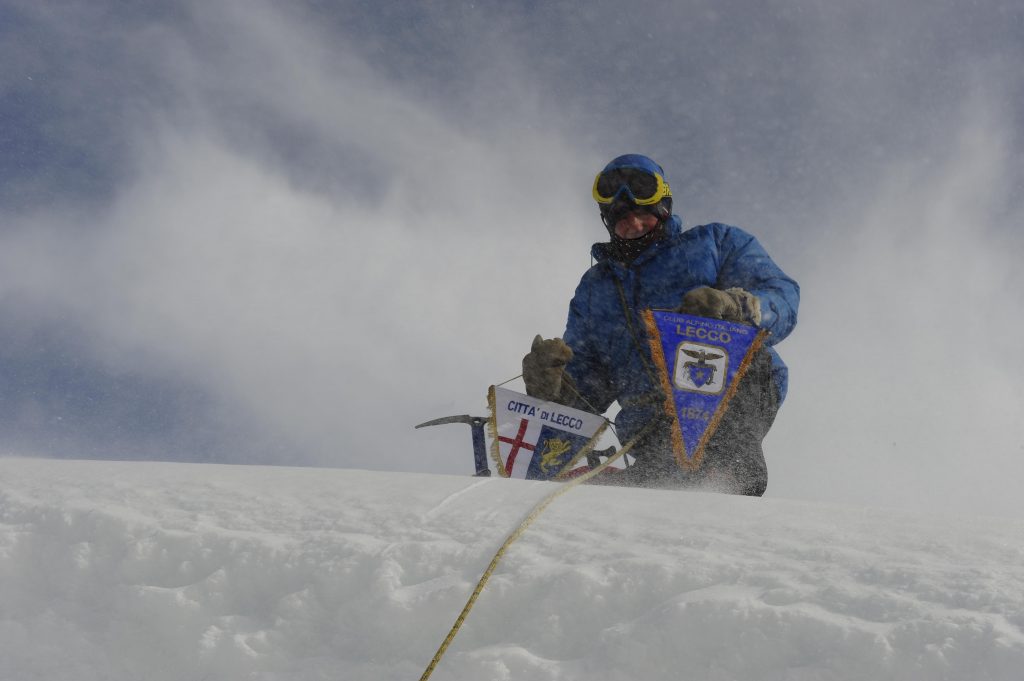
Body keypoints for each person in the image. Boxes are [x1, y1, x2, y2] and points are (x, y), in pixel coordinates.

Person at [522, 154, 799, 495]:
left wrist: (738, 306)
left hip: (729, 387)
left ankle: (728, 477)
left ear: (664, 207)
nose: (635, 225)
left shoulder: (714, 244)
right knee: (658, 484)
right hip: (652, 424)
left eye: (643, 213)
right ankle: (648, 494)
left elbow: (782, 295)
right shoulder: (597, 289)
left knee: (722, 448)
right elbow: (589, 385)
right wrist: (553, 391)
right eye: (623, 219)